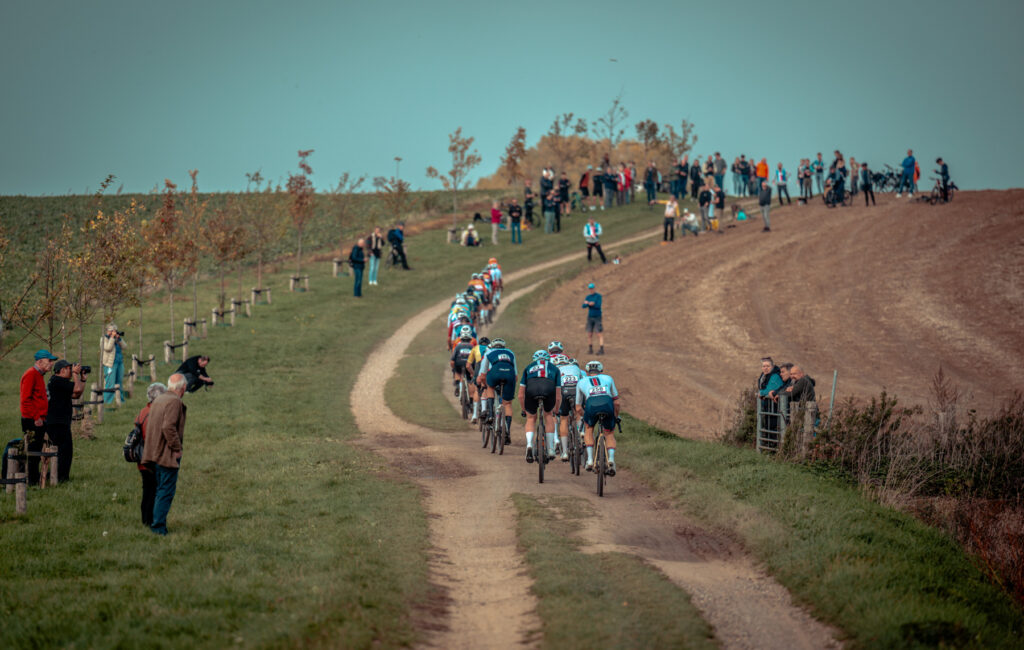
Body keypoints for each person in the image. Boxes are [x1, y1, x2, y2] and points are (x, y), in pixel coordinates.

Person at [142, 373, 187, 535]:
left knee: (159, 489)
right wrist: (177, 448)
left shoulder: (159, 399)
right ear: (183, 387)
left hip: (153, 451)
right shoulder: (174, 401)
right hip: (166, 454)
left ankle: (155, 523)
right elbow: (168, 427)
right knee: (165, 491)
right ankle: (158, 527)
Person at [575, 360, 620, 475]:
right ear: (601, 371)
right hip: (607, 403)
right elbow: (617, 402)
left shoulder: (581, 382)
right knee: (609, 433)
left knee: (589, 429)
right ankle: (611, 459)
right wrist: (615, 416)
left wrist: (586, 417)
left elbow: (578, 408)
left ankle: (590, 460)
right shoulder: (608, 378)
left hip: (591, 404)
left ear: (587, 371)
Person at [20, 349, 57, 485]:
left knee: (36, 450)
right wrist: (36, 418)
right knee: (33, 452)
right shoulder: (31, 374)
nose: (51, 364)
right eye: (49, 361)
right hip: (33, 420)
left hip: (39, 419)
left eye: (52, 361)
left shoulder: (39, 375)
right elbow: (25, 400)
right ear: (40, 361)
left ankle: (33, 479)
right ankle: (31, 481)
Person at [45, 359, 85, 483]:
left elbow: (76, 395)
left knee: (65, 451)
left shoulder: (58, 382)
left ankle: (59, 476)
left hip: (59, 422)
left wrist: (83, 380)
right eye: (69, 369)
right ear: (62, 370)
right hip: (57, 423)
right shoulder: (58, 381)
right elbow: (77, 389)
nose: (71, 371)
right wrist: (76, 374)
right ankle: (60, 477)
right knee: (64, 451)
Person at [518, 349, 561, 463]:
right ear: (548, 359)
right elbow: (558, 396)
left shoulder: (528, 367)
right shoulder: (555, 368)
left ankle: (529, 445)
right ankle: (551, 449)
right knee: (548, 415)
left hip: (531, 389)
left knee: (531, 418)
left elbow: (520, 395)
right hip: (548, 388)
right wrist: (556, 410)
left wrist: (524, 410)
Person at [134, 382, 166, 527]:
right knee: (154, 491)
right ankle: (151, 521)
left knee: (147, 490)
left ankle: (145, 521)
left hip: (142, 458)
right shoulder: (155, 414)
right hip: (152, 458)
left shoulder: (143, 411)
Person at [476, 337, 517, 445]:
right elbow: (516, 375)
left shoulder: (489, 352)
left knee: (489, 387)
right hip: (509, 376)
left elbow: (482, 374)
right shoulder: (510, 353)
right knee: (507, 404)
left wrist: (484, 384)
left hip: (494, 374)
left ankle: (490, 414)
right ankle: (507, 430)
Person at [552, 354, 582, 462]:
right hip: (576, 391)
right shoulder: (575, 368)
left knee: (563, 418)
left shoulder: (555, 370)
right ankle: (581, 433)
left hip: (563, 392)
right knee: (578, 413)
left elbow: (554, 388)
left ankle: (564, 452)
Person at [786, 365, 817, 453]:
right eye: (791, 374)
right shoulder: (795, 382)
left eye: (794, 374)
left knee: (810, 437)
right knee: (804, 437)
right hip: (805, 414)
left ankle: (808, 456)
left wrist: (784, 392)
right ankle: (803, 454)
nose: (792, 376)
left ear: (801, 374)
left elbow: (790, 394)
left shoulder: (802, 381)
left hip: (810, 414)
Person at [101, 323, 127, 405]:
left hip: (119, 362)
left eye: (115, 331)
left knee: (119, 382)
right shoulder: (104, 339)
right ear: (107, 331)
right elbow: (108, 348)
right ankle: (107, 402)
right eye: (111, 331)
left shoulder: (116, 339)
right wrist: (112, 338)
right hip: (110, 364)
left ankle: (120, 400)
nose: (113, 332)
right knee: (110, 383)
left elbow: (125, 347)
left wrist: (119, 339)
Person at [758, 357, 783, 434]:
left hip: (775, 406)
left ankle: (773, 440)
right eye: (764, 366)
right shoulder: (763, 376)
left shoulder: (775, 376)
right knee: (767, 426)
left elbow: (769, 389)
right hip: (768, 406)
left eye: (768, 366)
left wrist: (761, 393)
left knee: (773, 427)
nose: (765, 368)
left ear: (772, 366)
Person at [450, 326, 476, 397]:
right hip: (469, 364)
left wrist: (453, 368)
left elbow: (453, 355)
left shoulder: (457, 342)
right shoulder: (473, 342)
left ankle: (457, 384)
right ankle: (471, 399)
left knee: (457, 371)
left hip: (459, 362)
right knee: (470, 379)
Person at [582, 282, 604, 355]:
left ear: (594, 288)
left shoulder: (598, 296)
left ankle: (601, 349)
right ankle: (590, 349)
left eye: (592, 288)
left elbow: (598, 305)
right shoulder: (588, 297)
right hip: (590, 317)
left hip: (597, 317)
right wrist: (589, 303)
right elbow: (583, 306)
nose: (591, 290)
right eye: (590, 289)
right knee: (589, 333)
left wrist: (589, 304)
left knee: (599, 333)